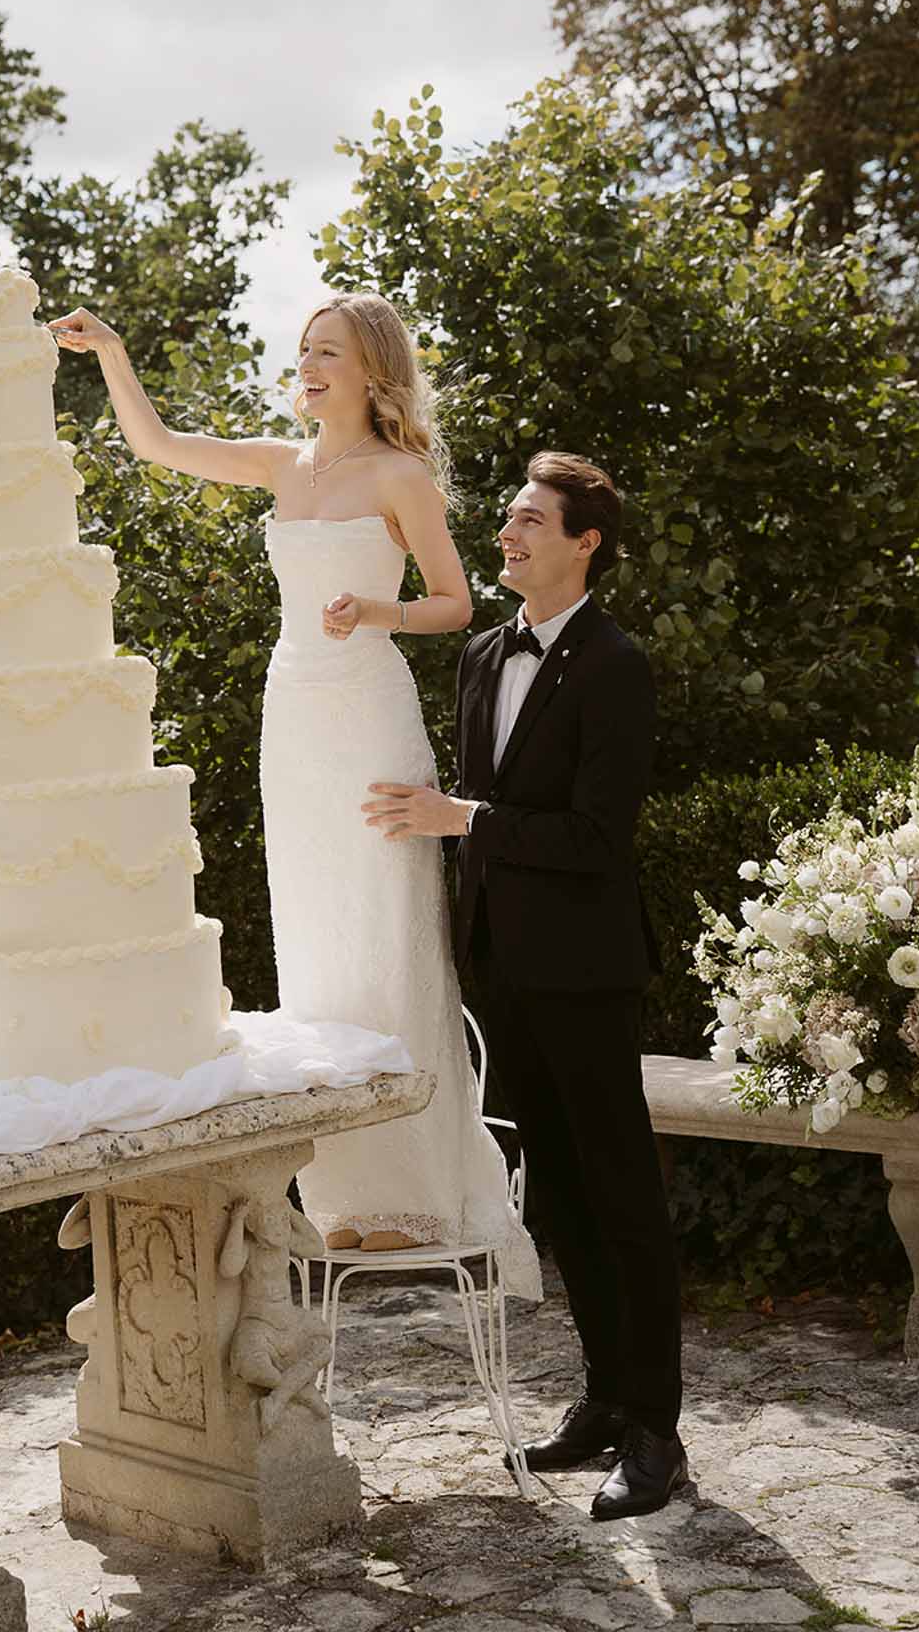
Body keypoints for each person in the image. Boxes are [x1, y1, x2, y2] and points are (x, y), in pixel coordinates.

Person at [48, 294, 539, 1287]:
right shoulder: (284, 463)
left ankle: (414, 1188)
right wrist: (112, 349)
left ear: (371, 371)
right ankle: (347, 1198)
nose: (308, 365)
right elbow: (156, 444)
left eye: (328, 352)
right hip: (294, 718)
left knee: (386, 929)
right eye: (304, 350)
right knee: (317, 937)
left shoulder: (400, 474)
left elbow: (456, 603)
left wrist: (375, 609)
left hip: (366, 712)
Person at [362, 452, 686, 1520]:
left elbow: (597, 836)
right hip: (502, 964)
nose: (507, 534)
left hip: (587, 971)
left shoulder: (616, 664)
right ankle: (600, 1399)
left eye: (530, 521)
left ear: (585, 541)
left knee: (621, 1196)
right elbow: (482, 807)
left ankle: (655, 1432)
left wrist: (465, 818)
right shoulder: (481, 655)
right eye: (506, 518)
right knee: (552, 1194)